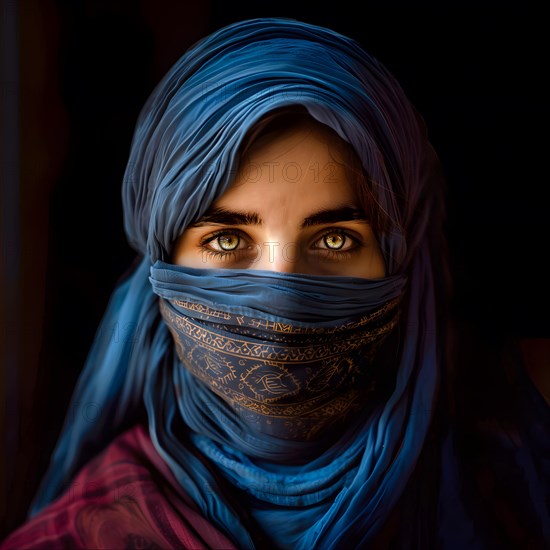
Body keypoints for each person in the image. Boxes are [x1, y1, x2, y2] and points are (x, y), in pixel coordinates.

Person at [2, 16, 548, 549]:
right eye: (227, 241)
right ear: (162, 266)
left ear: (405, 260)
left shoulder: (513, 501)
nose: (282, 298)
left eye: (335, 239)